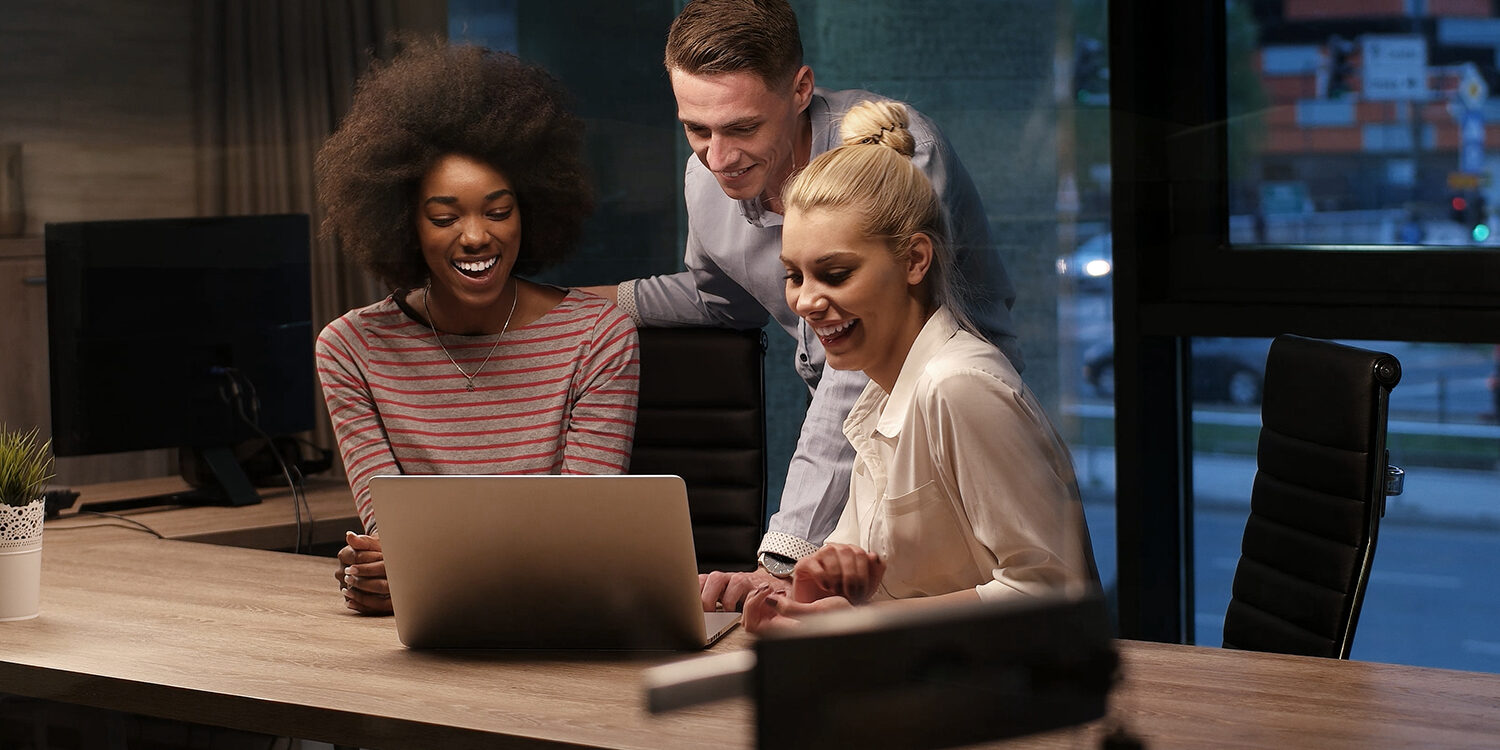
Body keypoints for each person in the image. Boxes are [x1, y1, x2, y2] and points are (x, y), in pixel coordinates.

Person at [579, 0, 1021, 611]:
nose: (718, 158)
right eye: (696, 129)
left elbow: (862, 367)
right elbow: (720, 302)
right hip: (860, 457)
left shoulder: (895, 158)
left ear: (800, 89)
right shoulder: (705, 176)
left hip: (948, 433)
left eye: (741, 128)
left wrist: (782, 554)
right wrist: (572, 303)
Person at [741, 101, 1095, 633]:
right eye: (795, 275)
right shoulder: (881, 394)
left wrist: (863, 622)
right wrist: (808, 594)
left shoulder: (958, 387)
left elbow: (1053, 593)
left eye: (834, 274)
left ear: (915, 260)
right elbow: (855, 588)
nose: (806, 302)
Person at [314, 43, 640, 614]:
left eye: (497, 211)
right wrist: (379, 571)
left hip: (560, 625)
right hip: (424, 644)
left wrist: (425, 569)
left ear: (530, 210)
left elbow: (583, 533)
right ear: (404, 223)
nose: (474, 236)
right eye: (444, 217)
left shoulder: (599, 336)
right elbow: (391, 537)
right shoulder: (352, 349)